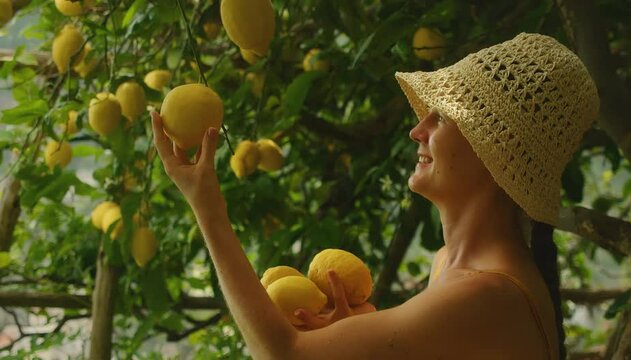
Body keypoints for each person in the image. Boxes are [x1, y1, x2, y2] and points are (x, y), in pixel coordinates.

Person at [150, 32, 599, 359]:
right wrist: (362, 333)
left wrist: (207, 207)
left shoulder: (486, 292)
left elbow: (286, 353)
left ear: (494, 149)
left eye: (440, 119)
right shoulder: (449, 263)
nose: (416, 130)